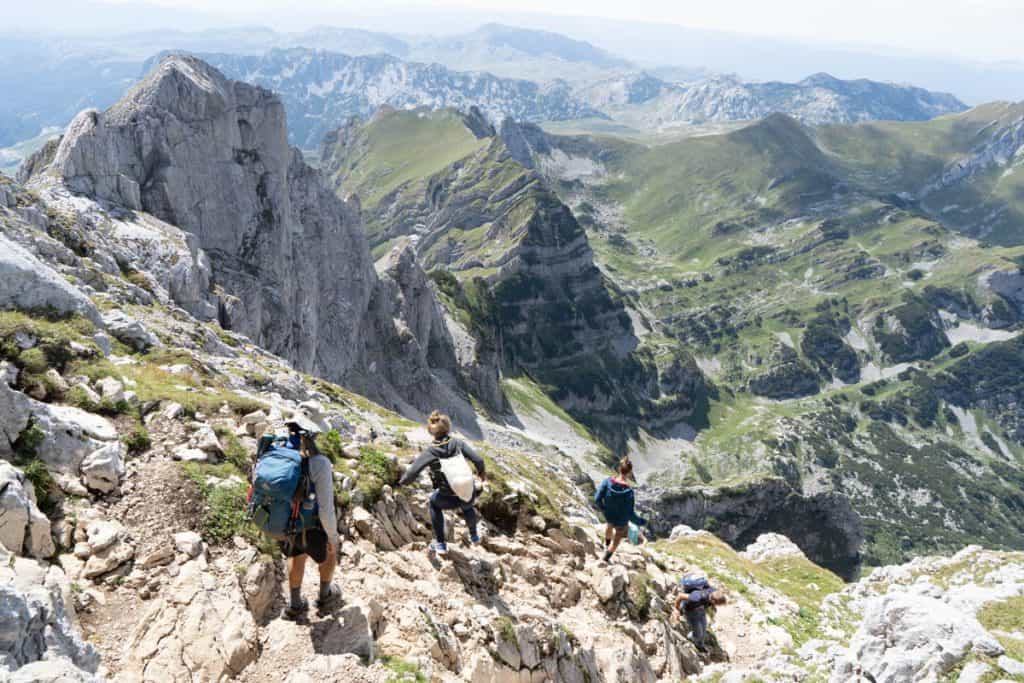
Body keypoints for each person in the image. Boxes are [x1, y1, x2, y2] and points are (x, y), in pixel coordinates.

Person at [397, 410, 486, 555]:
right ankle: (474, 535)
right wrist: (481, 474)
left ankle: (441, 544)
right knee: (467, 502)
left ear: (432, 432)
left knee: (433, 503)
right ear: (448, 427)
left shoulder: (431, 451)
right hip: (467, 491)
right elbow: (479, 460)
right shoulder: (458, 443)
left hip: (447, 497)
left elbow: (413, 472)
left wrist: (401, 483)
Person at [281, 412, 342, 619]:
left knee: (296, 555)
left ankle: (295, 604)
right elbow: (326, 508)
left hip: (285, 522)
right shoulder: (319, 462)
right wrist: (333, 537)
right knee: (330, 551)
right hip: (311, 523)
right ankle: (325, 596)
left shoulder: (279, 451)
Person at [594, 457, 647, 562]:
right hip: (621, 521)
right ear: (630, 473)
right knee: (616, 541)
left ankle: (606, 544)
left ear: (619, 469)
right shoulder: (629, 491)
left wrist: (604, 509)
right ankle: (605, 558)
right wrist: (641, 521)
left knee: (609, 526)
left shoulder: (607, 482)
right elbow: (630, 514)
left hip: (609, 514)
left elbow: (597, 498)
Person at [672, 575, 727, 653]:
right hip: (691, 612)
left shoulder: (714, 591)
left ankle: (700, 645)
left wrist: (712, 607)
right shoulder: (697, 597)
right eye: (717, 604)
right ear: (713, 601)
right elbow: (680, 596)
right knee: (698, 634)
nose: (717, 606)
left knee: (703, 631)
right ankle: (690, 638)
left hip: (701, 610)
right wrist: (676, 609)